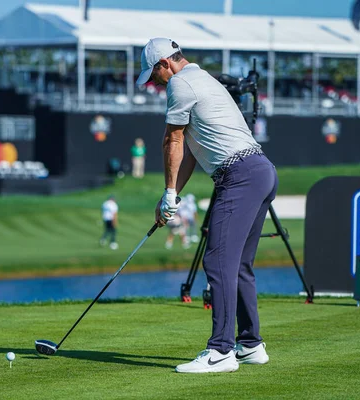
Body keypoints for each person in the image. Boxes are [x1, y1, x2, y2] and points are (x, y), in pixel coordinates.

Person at [139, 38, 278, 373]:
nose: (154, 83)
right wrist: (171, 193)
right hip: (261, 171)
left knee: (217, 260)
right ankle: (250, 344)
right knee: (240, 264)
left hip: (240, 176)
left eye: (154, 75)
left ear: (164, 64)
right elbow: (186, 150)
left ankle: (221, 351)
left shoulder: (180, 84)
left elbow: (171, 140)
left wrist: (170, 194)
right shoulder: (202, 78)